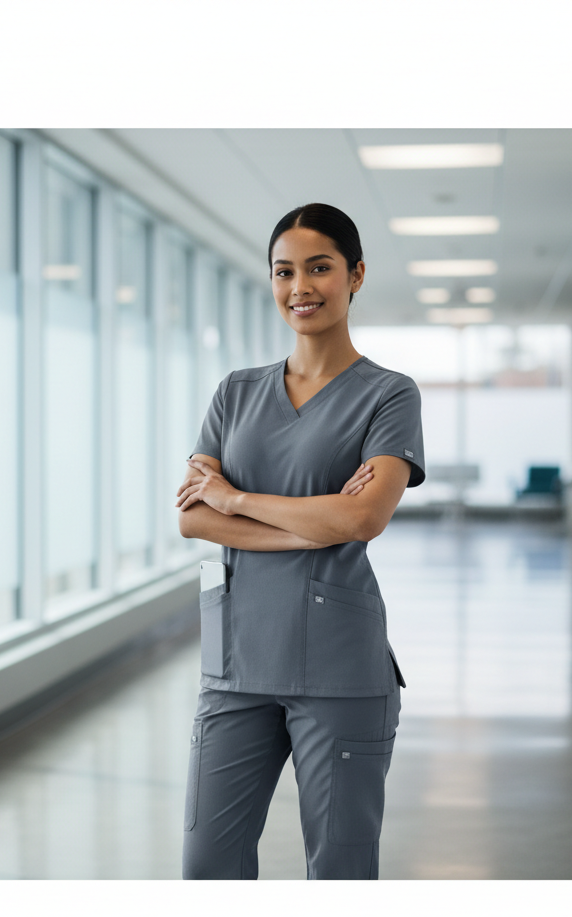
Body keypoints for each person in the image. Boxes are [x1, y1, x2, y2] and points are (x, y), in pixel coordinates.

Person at [175, 203, 425, 880]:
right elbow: (192, 521)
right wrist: (305, 525)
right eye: (284, 271)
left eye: (320, 268)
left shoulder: (388, 395)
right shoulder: (236, 392)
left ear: (356, 275)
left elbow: (363, 520)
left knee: (338, 871)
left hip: (341, 671)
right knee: (207, 867)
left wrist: (237, 500)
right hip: (234, 667)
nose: (300, 287)